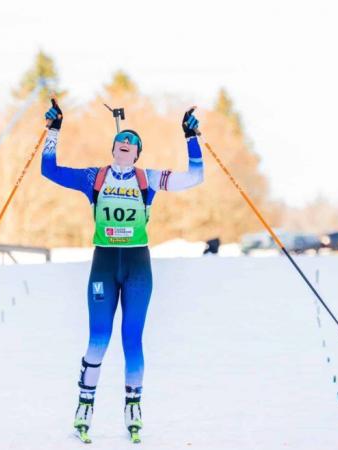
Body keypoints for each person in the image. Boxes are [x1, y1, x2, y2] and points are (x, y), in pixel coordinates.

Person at [41, 98, 204, 443]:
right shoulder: (94, 177)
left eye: (132, 145)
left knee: (132, 340)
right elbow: (49, 170)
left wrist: (190, 137)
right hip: (104, 263)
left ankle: (133, 407)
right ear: (114, 148)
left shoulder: (147, 179)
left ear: (137, 154)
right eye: (121, 143)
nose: (125, 146)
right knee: (97, 339)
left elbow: (195, 177)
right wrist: (54, 130)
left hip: (137, 266)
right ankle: (85, 405)